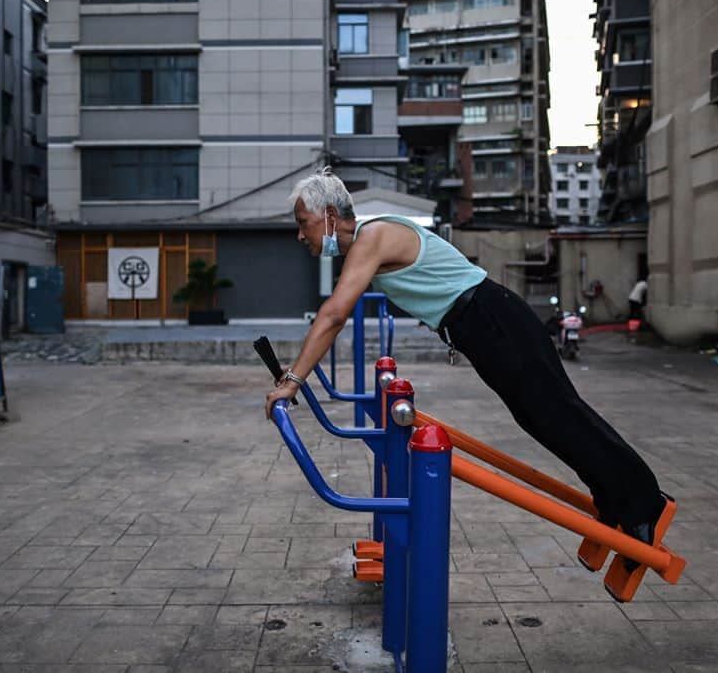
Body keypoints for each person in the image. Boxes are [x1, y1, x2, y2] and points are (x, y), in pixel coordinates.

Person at [264, 169, 668, 558]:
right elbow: (335, 313)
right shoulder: (364, 246)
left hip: (494, 319)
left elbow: (334, 314)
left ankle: (643, 503)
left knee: (559, 413)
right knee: (543, 419)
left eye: (304, 223)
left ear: (330, 216)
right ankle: (615, 501)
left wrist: (292, 382)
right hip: (483, 329)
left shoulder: (374, 235)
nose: (300, 234)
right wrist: (295, 373)